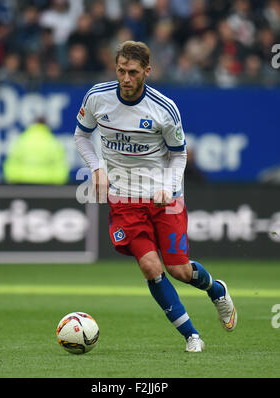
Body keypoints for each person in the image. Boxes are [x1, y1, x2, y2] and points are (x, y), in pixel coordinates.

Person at [74, 41, 237, 352]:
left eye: (133, 72)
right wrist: (96, 167)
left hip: (165, 198)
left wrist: (170, 186)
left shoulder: (164, 109)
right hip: (124, 200)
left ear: (147, 71)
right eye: (121, 70)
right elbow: (81, 135)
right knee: (150, 266)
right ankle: (192, 336)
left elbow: (179, 155)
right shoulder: (97, 98)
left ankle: (216, 290)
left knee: (179, 270)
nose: (125, 78)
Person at [4, 118, 70, 185]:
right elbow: (60, 168)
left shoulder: (22, 140)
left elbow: (11, 164)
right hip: (47, 185)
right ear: (46, 125)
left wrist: (13, 182)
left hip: (23, 183)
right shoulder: (53, 142)